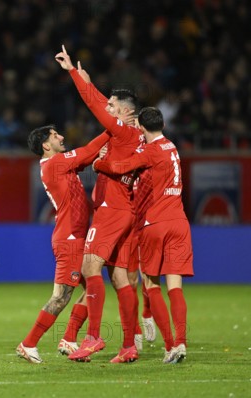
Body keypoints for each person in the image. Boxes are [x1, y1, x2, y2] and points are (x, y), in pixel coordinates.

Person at [55, 45, 143, 363]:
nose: (107, 108)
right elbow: (105, 105)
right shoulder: (129, 135)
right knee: (120, 279)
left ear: (126, 113)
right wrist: (86, 78)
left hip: (112, 210)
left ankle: (92, 337)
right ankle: (130, 345)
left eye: (112, 106)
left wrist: (74, 75)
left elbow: (95, 105)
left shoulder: (124, 134)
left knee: (89, 267)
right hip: (125, 211)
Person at [93, 107, 194, 364]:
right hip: (180, 222)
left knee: (151, 286)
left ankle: (169, 345)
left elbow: (120, 167)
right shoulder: (172, 147)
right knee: (176, 287)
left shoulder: (150, 151)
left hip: (156, 223)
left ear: (141, 127)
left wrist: (99, 163)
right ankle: (181, 343)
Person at [16, 125, 111, 364]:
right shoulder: (55, 163)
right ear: (46, 146)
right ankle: (28, 344)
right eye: (55, 135)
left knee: (93, 289)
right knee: (61, 296)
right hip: (69, 238)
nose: (62, 137)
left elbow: (87, 159)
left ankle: (69, 339)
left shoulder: (59, 165)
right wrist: (113, 129)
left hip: (75, 234)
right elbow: (89, 150)